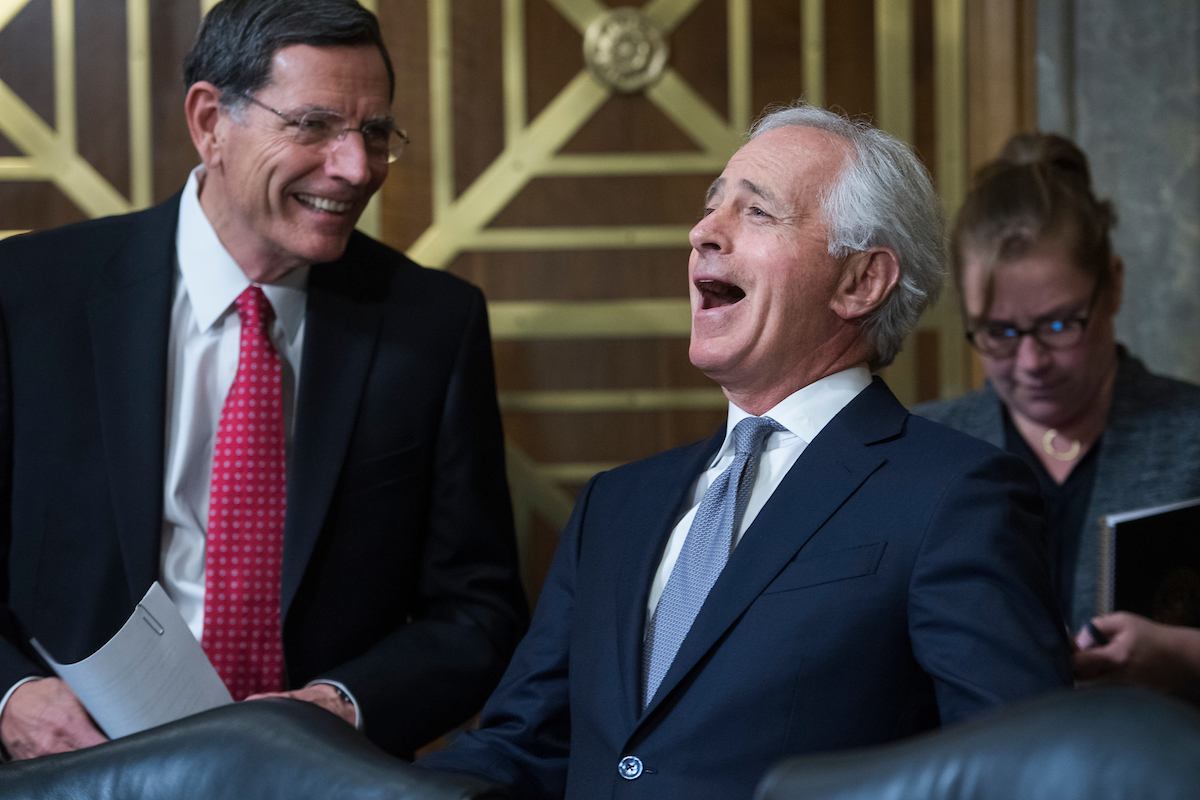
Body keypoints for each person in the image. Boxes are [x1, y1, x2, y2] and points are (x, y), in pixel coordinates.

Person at [416, 103, 1071, 800]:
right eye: (710, 208)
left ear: (861, 282)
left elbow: (1020, 773)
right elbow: (522, 748)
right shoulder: (616, 503)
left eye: (756, 213)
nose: (702, 233)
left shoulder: (955, 497)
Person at [0, 0, 527, 761]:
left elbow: (479, 612)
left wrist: (344, 706)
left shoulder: (432, 325)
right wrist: (12, 696)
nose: (354, 168)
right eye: (313, 126)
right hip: (71, 773)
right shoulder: (28, 296)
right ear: (211, 121)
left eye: (374, 133)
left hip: (314, 775)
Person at [914, 133, 1200, 693]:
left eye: (1059, 325)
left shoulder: (1190, 434)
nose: (1031, 362)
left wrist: (1184, 656)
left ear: (1112, 286)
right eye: (999, 332)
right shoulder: (927, 448)